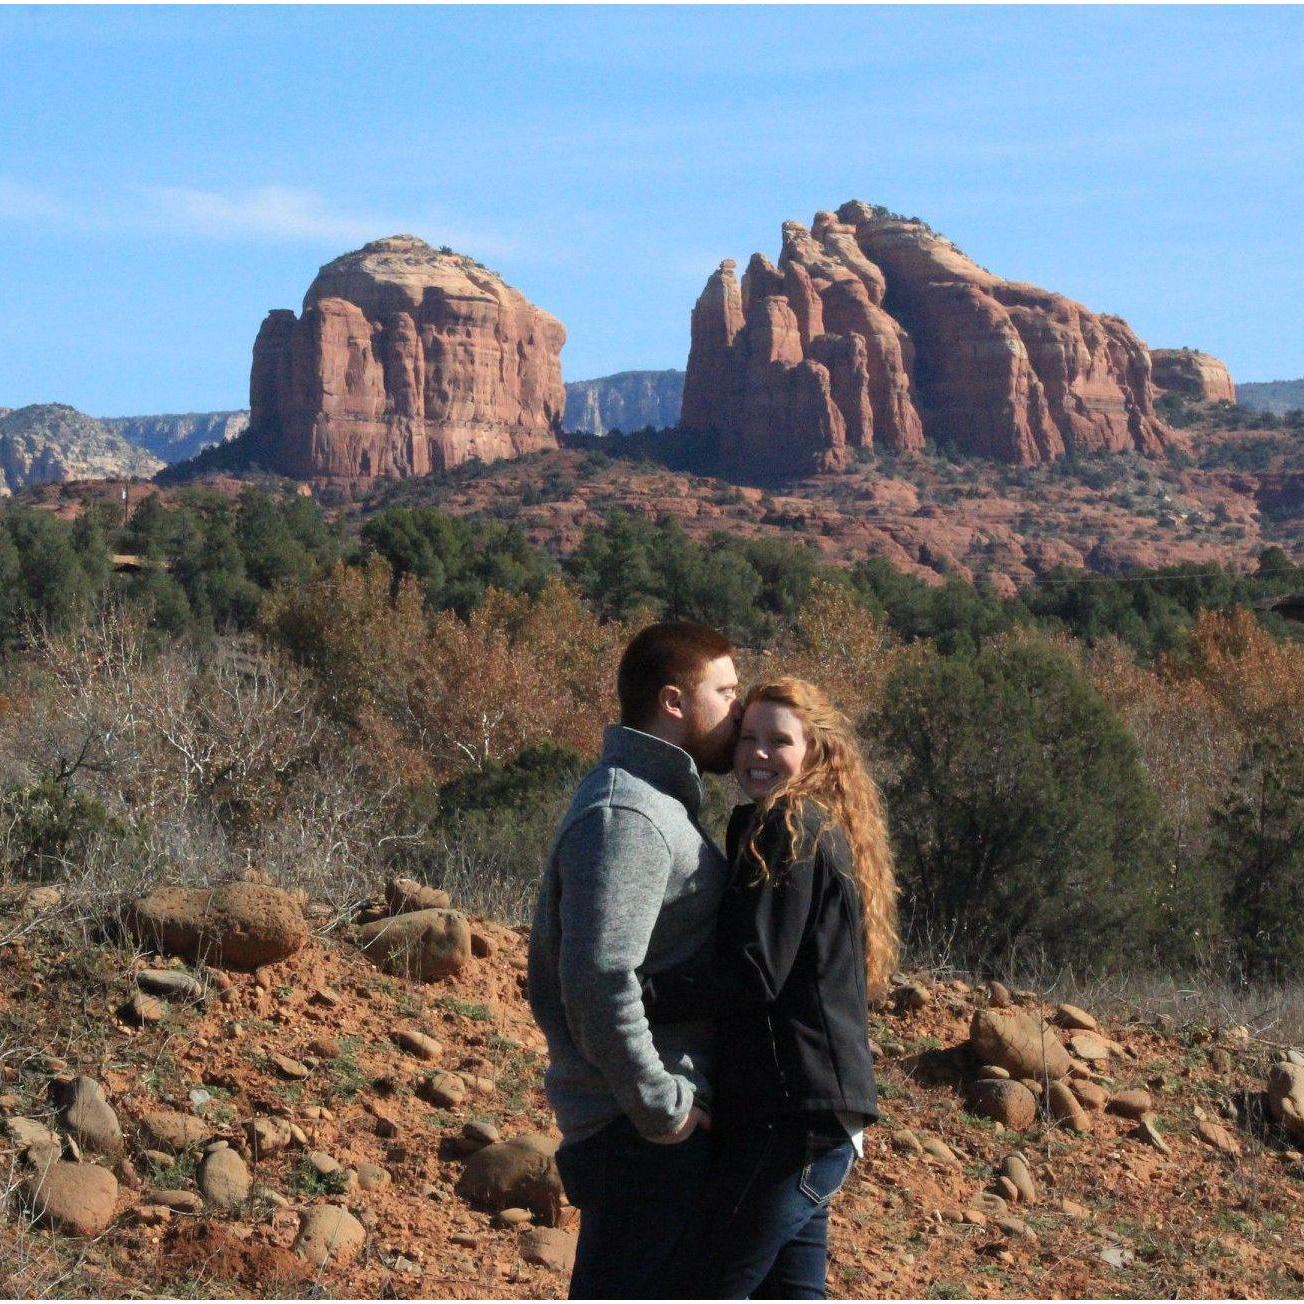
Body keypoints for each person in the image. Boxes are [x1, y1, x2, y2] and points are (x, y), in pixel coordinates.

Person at [642, 676, 900, 1299]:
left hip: (787, 1119)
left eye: (778, 741)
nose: (757, 753)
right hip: (820, 1116)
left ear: (814, 751)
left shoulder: (789, 823)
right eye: (747, 737)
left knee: (701, 1288)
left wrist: (643, 995)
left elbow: (754, 972)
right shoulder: (818, 823)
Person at [527, 620, 742, 1299]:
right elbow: (595, 978)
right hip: (636, 1137)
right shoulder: (631, 814)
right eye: (726, 691)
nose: (740, 708)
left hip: (642, 1132)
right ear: (674, 702)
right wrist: (662, 1108)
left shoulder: (657, 805)